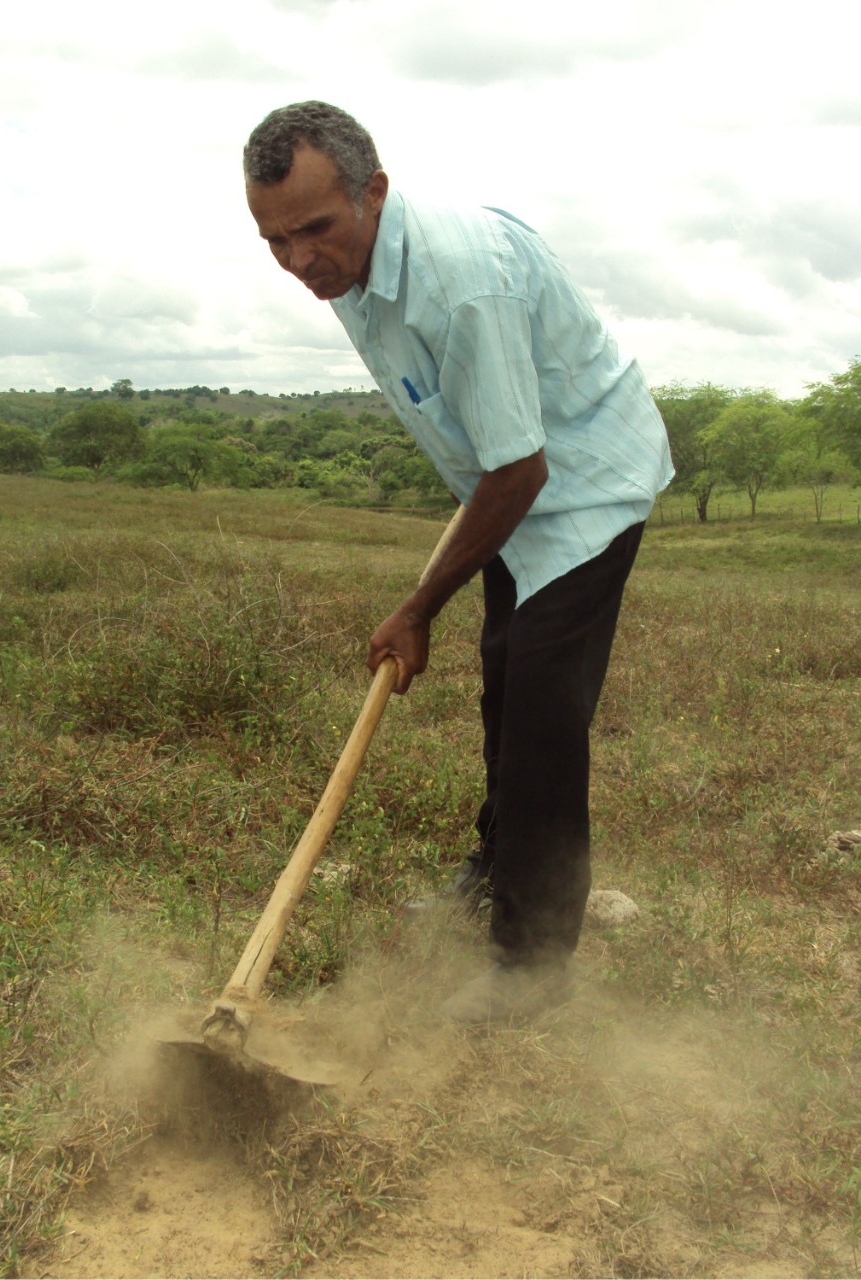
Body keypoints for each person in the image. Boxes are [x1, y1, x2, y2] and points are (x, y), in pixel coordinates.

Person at [243, 101, 673, 1023]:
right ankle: (493, 868)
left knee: (541, 723)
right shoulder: (351, 274)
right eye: (275, 241)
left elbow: (521, 465)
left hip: (585, 488)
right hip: (512, 491)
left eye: (315, 229)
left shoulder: (458, 278)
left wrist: (417, 606)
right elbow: (488, 448)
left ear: (375, 193)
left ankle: (531, 968)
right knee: (501, 683)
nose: (300, 261)